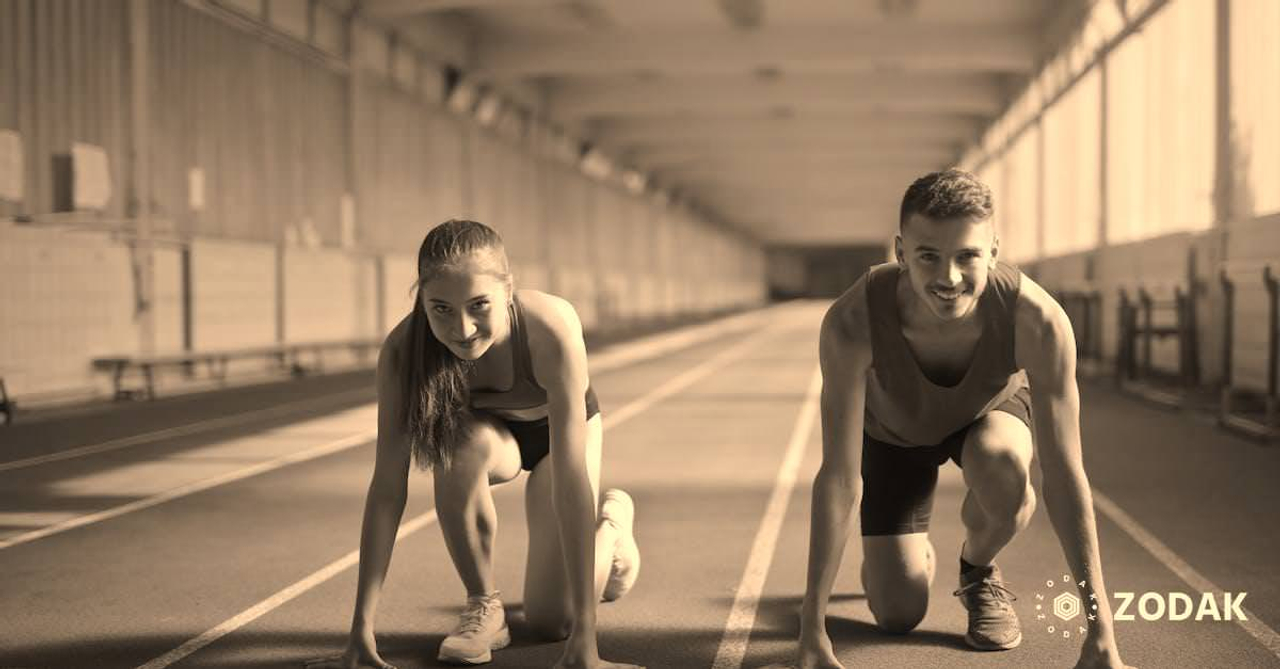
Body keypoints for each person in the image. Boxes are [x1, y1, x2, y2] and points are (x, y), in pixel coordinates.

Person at [794, 170, 1133, 669]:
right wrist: (810, 630)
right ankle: (900, 561)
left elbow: (1064, 477)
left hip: (987, 418)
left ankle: (977, 569)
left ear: (994, 251)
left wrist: (1101, 632)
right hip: (893, 437)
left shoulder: (1037, 321)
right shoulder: (853, 321)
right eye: (928, 255)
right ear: (900, 251)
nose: (948, 278)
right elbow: (840, 478)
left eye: (967, 256)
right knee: (896, 614)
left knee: (1005, 469)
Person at [306, 219, 642, 669]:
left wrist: (586, 638)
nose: (462, 329)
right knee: (456, 446)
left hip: (559, 440)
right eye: (441, 308)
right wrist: (360, 631)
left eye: (479, 305)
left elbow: (570, 480)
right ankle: (484, 605)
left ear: (508, 290)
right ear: (421, 299)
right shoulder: (404, 352)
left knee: (551, 620)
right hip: (490, 440)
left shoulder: (551, 327)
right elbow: (387, 488)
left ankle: (613, 528)